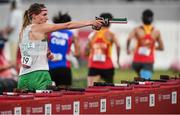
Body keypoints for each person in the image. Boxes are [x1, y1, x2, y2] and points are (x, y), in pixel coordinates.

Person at [17, 3, 105, 91]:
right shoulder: (40, 28)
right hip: (39, 74)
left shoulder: (22, 31)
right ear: (34, 16)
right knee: (51, 103)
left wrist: (47, 53)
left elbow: (30, 48)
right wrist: (91, 22)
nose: (47, 18)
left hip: (23, 77)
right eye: (44, 15)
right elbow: (67, 25)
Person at [126, 9, 164, 80]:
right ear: (152, 19)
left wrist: (128, 49)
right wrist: (152, 47)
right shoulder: (156, 32)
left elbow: (128, 39)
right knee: (146, 82)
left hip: (136, 61)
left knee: (141, 79)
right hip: (148, 61)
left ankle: (138, 84)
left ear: (142, 18)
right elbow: (162, 48)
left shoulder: (136, 29)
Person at [86, 13, 121, 87]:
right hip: (107, 66)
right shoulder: (111, 34)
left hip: (94, 65)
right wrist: (118, 59)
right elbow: (118, 46)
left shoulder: (93, 34)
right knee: (109, 90)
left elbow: (86, 50)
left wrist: (89, 54)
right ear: (110, 22)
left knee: (90, 89)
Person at [48, 12, 80, 87]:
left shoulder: (49, 33)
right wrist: (69, 55)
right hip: (64, 68)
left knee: (51, 95)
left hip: (50, 68)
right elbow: (77, 54)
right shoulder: (71, 35)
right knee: (65, 95)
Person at [4, 0, 23, 65]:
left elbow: (12, 27)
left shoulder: (14, 13)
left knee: (13, 57)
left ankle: (14, 72)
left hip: (14, 38)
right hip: (21, 38)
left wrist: (3, 31)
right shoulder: (21, 13)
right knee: (19, 57)